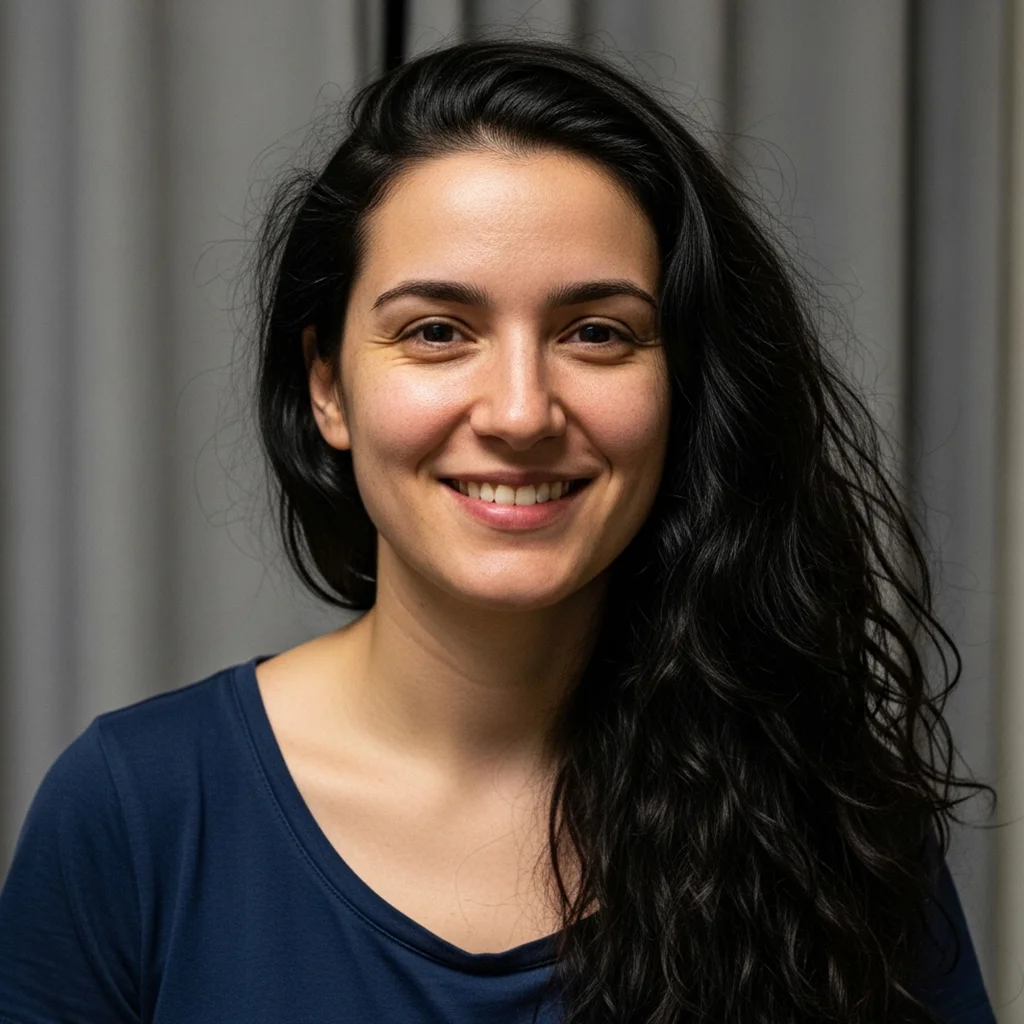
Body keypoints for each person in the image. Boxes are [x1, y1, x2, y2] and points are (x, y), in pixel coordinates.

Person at [0, 37, 998, 1024]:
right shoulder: (135, 812)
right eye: (437, 331)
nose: (521, 412)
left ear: (682, 388)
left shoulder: (825, 818)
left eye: (595, 332)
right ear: (327, 387)